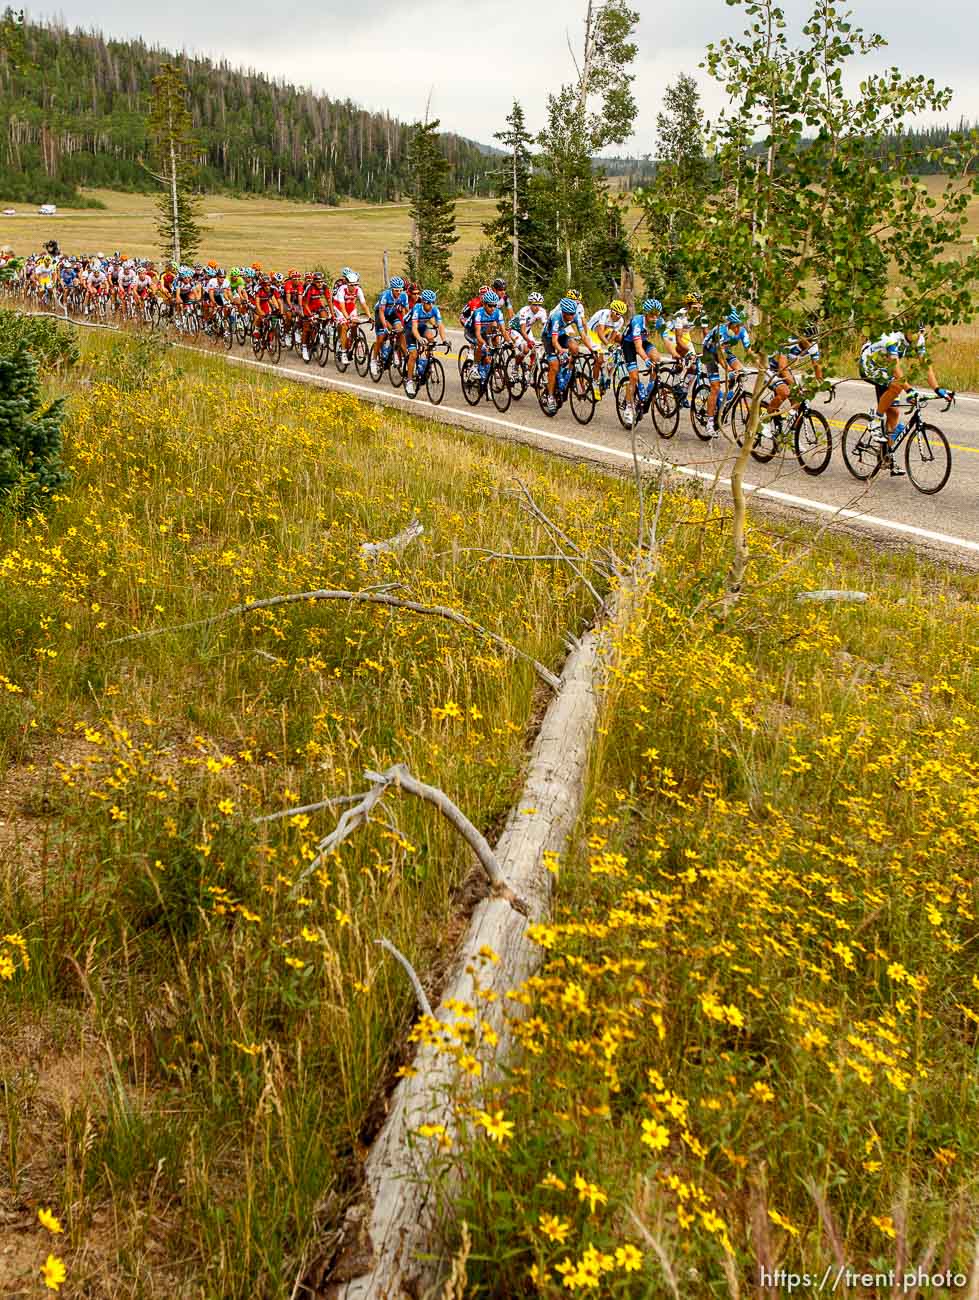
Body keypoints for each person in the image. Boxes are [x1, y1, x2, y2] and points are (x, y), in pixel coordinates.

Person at [859, 322, 950, 474]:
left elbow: (926, 365)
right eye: (915, 331)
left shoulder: (919, 339)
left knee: (894, 413)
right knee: (897, 385)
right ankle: (875, 420)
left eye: (921, 331)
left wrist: (937, 388)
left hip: (885, 368)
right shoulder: (892, 339)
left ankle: (887, 457)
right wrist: (909, 390)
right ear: (906, 330)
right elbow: (895, 368)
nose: (918, 335)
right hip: (869, 364)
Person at [702, 308, 752, 437]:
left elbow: (749, 350)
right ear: (729, 324)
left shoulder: (742, 331)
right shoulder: (722, 331)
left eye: (740, 326)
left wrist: (762, 366)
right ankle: (710, 422)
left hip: (724, 352)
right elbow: (720, 355)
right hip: (710, 352)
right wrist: (728, 370)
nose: (737, 329)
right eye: (735, 326)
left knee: (740, 372)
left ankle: (726, 398)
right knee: (715, 386)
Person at [620, 298, 666, 425]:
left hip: (643, 341)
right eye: (652, 315)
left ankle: (649, 389)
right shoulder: (637, 322)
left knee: (657, 358)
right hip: (629, 344)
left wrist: (675, 355)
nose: (655, 318)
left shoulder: (659, 321)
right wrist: (645, 359)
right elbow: (638, 347)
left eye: (657, 314)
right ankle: (629, 408)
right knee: (634, 377)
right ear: (646, 314)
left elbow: (667, 340)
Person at [543, 297, 583, 413]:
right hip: (549, 338)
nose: (572, 316)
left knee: (575, 348)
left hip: (561, 335)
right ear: (564, 312)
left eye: (573, 314)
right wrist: (561, 351)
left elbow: (583, 335)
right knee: (554, 365)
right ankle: (550, 397)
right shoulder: (556, 317)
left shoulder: (575, 316)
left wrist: (592, 349)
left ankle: (568, 373)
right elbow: (554, 341)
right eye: (569, 314)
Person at [405, 289, 449, 395]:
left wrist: (444, 340)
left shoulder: (434, 309)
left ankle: (428, 361)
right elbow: (414, 328)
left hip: (422, 326)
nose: (431, 305)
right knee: (414, 355)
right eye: (429, 303)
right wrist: (419, 339)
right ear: (423, 302)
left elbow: (440, 325)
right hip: (410, 327)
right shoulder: (417, 309)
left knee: (431, 338)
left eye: (433, 302)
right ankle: (409, 381)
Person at [585, 299, 627, 400]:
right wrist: (607, 345)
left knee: (620, 339)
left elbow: (613, 335)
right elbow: (599, 333)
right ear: (611, 311)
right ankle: (594, 382)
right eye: (617, 313)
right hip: (593, 333)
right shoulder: (604, 315)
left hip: (606, 332)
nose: (618, 316)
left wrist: (610, 348)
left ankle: (607, 374)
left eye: (621, 314)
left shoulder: (620, 320)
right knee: (599, 360)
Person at [471, 288, 509, 378]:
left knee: (495, 331)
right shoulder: (478, 313)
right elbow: (478, 334)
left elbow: (503, 331)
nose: (493, 308)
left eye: (494, 305)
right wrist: (485, 344)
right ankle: (474, 367)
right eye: (490, 306)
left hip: (485, 331)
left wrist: (510, 342)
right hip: (472, 331)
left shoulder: (498, 312)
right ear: (484, 304)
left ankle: (487, 365)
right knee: (481, 345)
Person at [372, 275, 409, 364]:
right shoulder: (385, 295)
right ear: (391, 289)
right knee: (380, 338)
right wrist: (385, 326)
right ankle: (373, 360)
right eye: (396, 290)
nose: (399, 292)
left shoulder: (404, 295)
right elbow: (381, 312)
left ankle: (399, 352)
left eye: (400, 290)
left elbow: (406, 310)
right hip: (380, 314)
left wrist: (406, 323)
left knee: (400, 331)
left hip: (391, 313)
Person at [332, 270, 366, 361]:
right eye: (352, 285)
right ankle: (343, 352)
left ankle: (352, 342)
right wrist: (347, 318)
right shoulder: (341, 288)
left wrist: (369, 316)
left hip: (350, 306)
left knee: (355, 324)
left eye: (356, 284)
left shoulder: (358, 289)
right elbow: (342, 308)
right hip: (339, 307)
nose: (354, 286)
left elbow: (363, 304)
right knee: (344, 326)